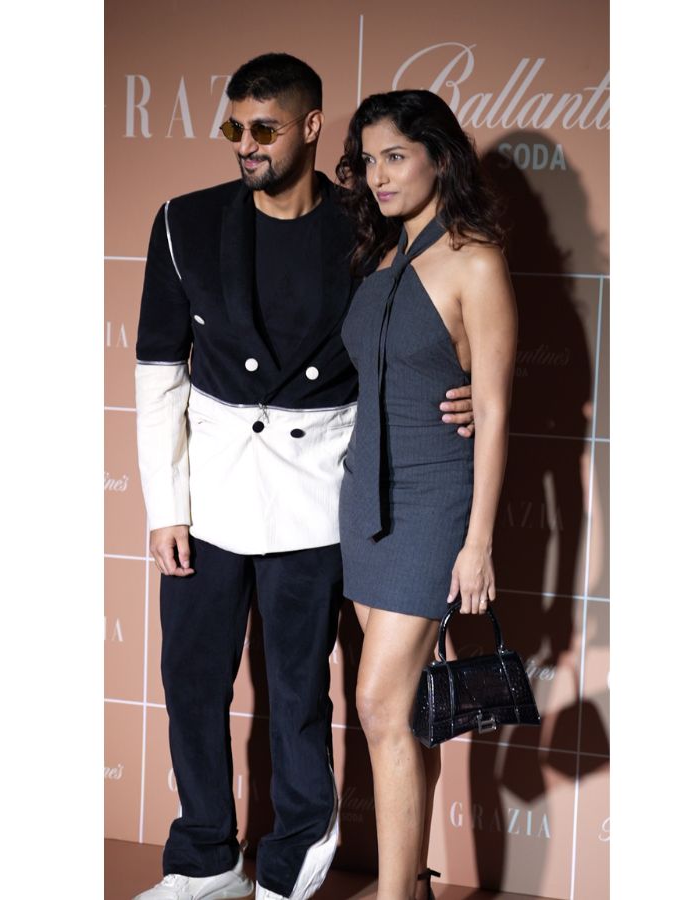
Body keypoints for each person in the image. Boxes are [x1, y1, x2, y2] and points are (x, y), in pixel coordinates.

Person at [132, 56, 475, 900]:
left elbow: (419, 326)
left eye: (264, 128)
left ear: (312, 127)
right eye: (233, 128)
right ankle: (204, 860)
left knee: (297, 690)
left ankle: (292, 862)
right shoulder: (183, 221)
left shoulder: (367, 226)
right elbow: (158, 376)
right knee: (192, 681)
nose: (245, 144)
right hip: (208, 495)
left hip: (318, 492)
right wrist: (164, 506)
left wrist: (464, 388)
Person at [335, 90, 517, 900]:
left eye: (395, 156)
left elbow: (497, 409)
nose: (378, 174)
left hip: (434, 503)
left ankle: (395, 894)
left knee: (377, 704)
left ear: (439, 159)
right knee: (407, 712)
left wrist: (478, 543)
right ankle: (409, 885)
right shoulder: (378, 258)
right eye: (368, 160)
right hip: (364, 502)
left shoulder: (476, 260)